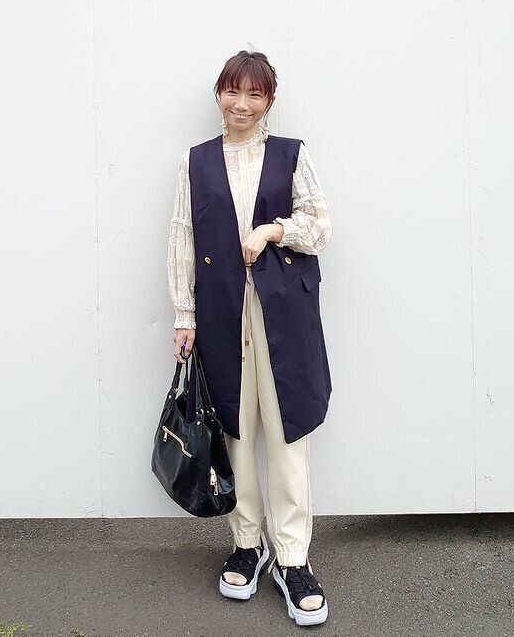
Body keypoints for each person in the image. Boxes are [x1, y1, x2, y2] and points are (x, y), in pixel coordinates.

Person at [166, 49, 333, 627]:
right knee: (234, 429)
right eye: (232, 91)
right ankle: (247, 544)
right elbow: (183, 238)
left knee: (287, 432)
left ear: (269, 101)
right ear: (219, 93)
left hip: (282, 311)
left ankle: (293, 558)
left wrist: (271, 230)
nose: (241, 104)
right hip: (220, 313)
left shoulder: (292, 154)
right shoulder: (196, 161)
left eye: (254, 94)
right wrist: (184, 315)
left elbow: (320, 225)